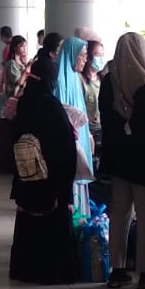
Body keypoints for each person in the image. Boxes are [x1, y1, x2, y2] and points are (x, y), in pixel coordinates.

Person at [98, 32, 145, 289]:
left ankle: (117, 270)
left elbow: (106, 121)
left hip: (118, 159)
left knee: (119, 214)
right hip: (144, 161)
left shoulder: (109, 81)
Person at [8, 70, 80, 285]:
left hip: (27, 177)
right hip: (51, 180)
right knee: (52, 225)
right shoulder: (52, 106)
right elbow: (65, 149)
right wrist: (67, 190)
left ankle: (25, 269)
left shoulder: (24, 105)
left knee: (28, 223)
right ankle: (51, 272)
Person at [55, 36, 94, 210]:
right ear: (72, 55)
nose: (85, 60)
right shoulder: (59, 80)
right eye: (82, 55)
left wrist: (89, 134)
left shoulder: (75, 78)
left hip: (81, 137)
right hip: (70, 141)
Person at [81, 38, 106, 138]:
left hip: (102, 128)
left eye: (102, 55)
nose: (100, 59)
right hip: (87, 130)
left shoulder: (103, 79)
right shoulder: (80, 80)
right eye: (97, 55)